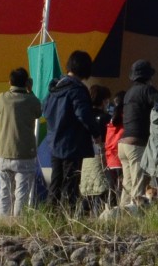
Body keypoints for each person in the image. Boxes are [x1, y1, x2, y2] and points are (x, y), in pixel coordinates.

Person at [43, 52, 105, 208]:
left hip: (54, 142)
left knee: (55, 183)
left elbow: (45, 110)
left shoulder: (55, 87)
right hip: (72, 143)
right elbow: (83, 114)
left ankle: (50, 216)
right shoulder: (77, 89)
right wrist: (96, 133)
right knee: (70, 184)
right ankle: (68, 218)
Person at [0, 68, 43, 217]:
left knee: (5, 192)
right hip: (24, 154)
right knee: (21, 194)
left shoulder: (2, 98)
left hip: (4, 152)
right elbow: (38, 112)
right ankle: (18, 224)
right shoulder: (31, 100)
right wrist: (31, 90)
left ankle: (4, 223)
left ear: (9, 82)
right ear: (27, 83)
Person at [116, 59, 158, 209]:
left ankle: (122, 217)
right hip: (137, 144)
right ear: (148, 76)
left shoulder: (128, 93)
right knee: (139, 184)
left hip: (123, 145)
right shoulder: (147, 90)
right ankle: (136, 218)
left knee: (127, 185)